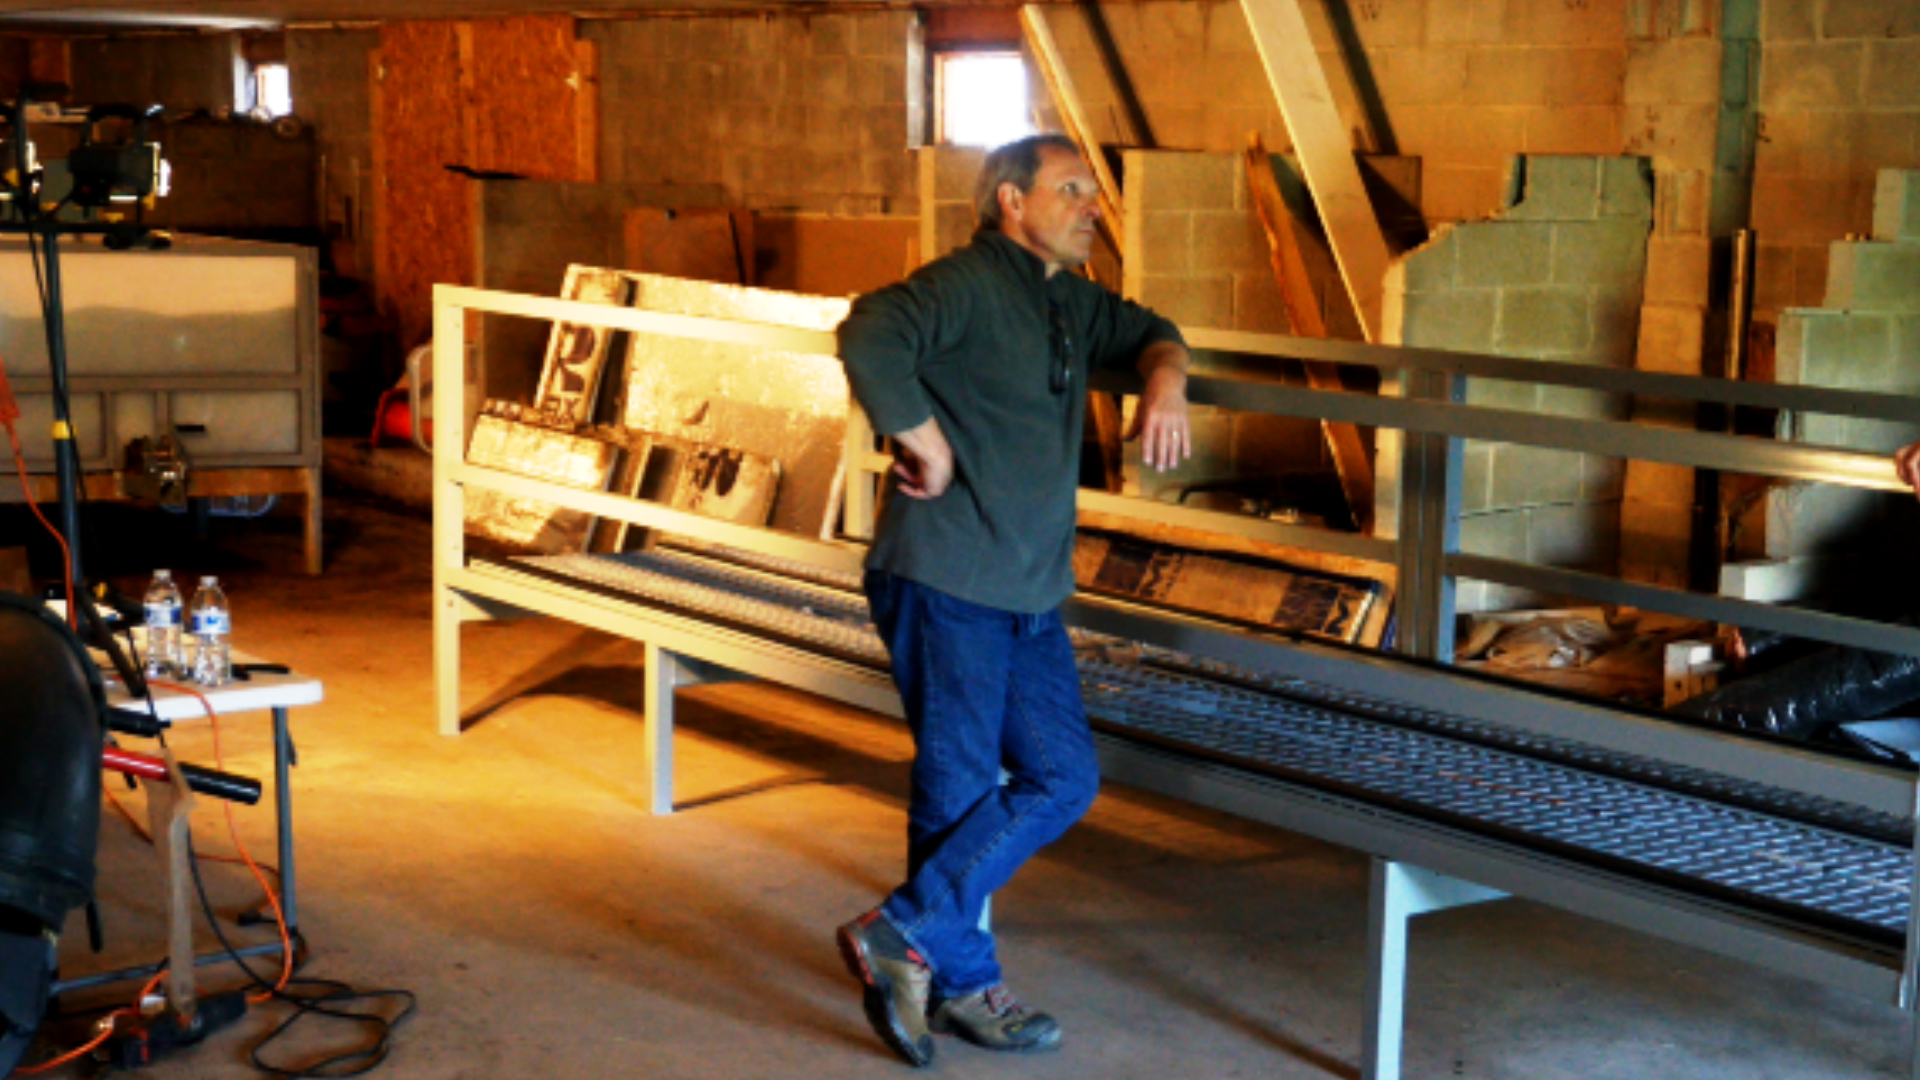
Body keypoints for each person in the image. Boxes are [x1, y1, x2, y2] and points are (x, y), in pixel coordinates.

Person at [832, 132, 1192, 1068]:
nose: (1089, 209)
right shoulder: (965, 283)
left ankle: (904, 932)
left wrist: (1166, 382)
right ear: (1010, 202)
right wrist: (928, 444)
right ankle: (958, 986)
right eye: (1069, 190)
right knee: (957, 789)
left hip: (1027, 590)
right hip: (947, 579)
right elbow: (868, 331)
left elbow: (1155, 329)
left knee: (1061, 779)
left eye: (1095, 195)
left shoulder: (1067, 301)